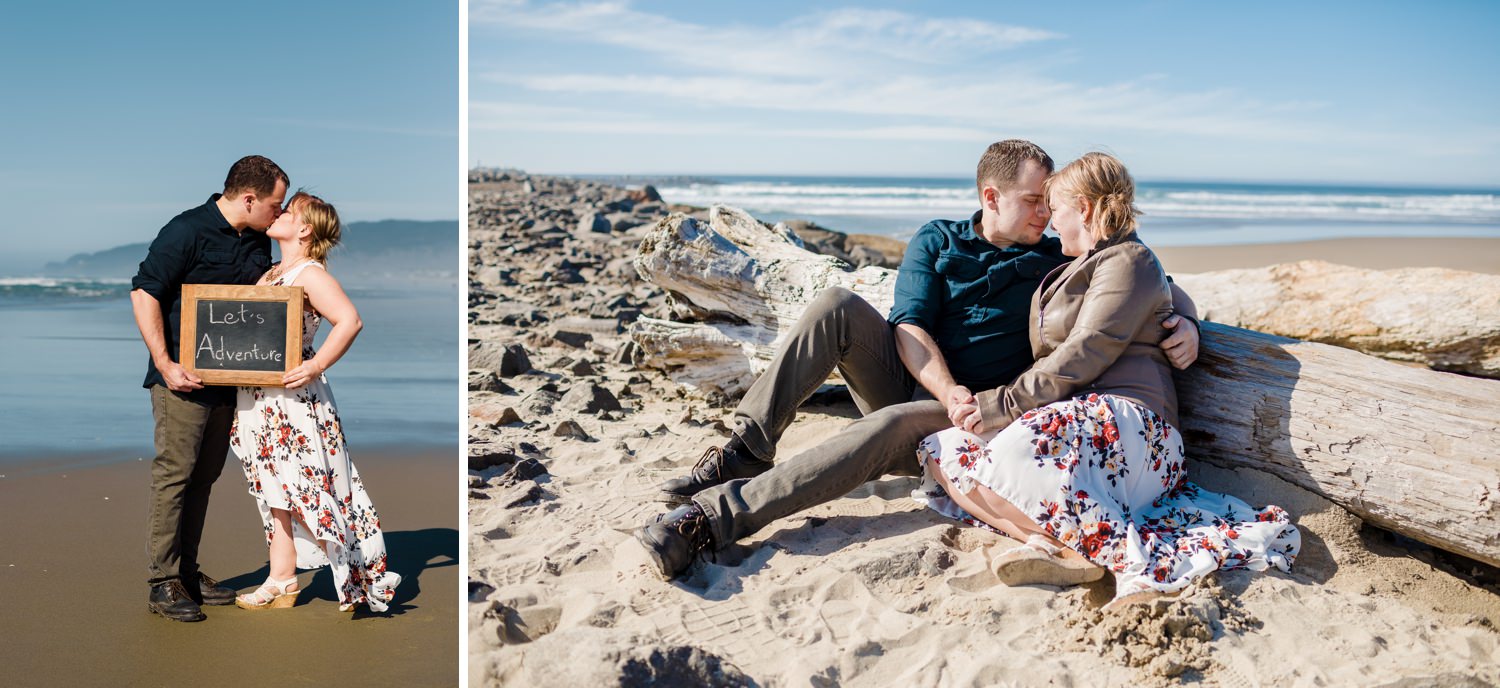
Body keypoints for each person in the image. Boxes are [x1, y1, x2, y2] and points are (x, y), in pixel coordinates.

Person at [634, 140, 1200, 580]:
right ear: (990, 197)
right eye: (1034, 202)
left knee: (890, 425)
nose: (1046, 217)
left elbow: (1146, 279)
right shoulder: (938, 240)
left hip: (992, 416)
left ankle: (715, 520)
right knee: (835, 306)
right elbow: (908, 327)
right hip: (929, 390)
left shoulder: (1057, 255)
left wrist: (1190, 321)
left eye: (1051, 205)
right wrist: (946, 388)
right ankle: (745, 450)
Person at [915, 152, 1299, 605]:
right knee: (943, 450)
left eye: (1056, 209)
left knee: (1022, 442)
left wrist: (999, 404)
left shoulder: (1130, 259)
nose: (1051, 222)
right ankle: (1059, 545)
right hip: (1075, 421)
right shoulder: (1071, 266)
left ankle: (1124, 561)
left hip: (1132, 424)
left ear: (1086, 208)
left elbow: (1087, 350)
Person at [229, 191, 401, 612]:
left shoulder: (309, 274)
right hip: (259, 396)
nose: (279, 212)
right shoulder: (272, 274)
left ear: (304, 229)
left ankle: (357, 574)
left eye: (288, 211)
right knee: (274, 490)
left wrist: (316, 365)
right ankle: (283, 577)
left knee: (310, 486)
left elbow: (350, 320)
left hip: (295, 400)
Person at [131, 155, 287, 622]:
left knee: (204, 478)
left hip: (230, 382)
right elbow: (145, 292)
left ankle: (189, 574)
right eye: (275, 205)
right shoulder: (186, 230)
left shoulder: (259, 239)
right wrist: (165, 363)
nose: (278, 213)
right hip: (181, 381)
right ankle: (163, 583)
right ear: (248, 198)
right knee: (174, 477)